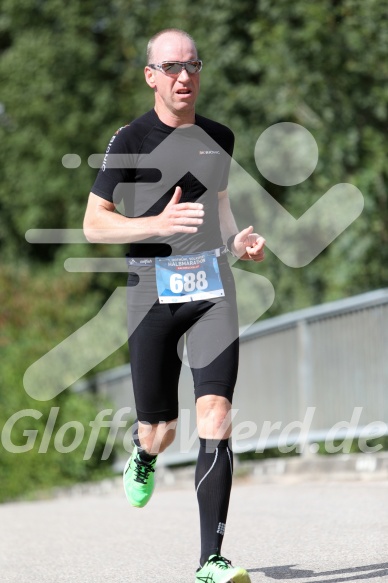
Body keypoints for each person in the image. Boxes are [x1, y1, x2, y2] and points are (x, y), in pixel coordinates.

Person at [84, 28, 265, 583]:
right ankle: (145, 455)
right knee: (158, 429)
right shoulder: (129, 141)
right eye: (171, 68)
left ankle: (210, 559)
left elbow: (221, 208)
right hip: (150, 293)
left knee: (216, 415)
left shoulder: (220, 136)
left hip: (211, 289)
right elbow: (94, 225)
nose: (184, 77)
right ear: (151, 76)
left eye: (192, 66)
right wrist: (155, 225)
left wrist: (238, 244)